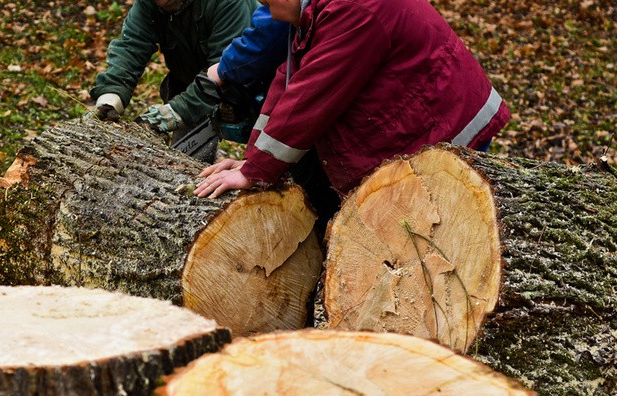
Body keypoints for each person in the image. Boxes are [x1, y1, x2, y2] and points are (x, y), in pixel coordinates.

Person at [194, 0, 510, 227]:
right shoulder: (316, 12)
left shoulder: (355, 9)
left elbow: (311, 98)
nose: (262, 5)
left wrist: (254, 171)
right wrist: (254, 163)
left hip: (446, 133)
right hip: (418, 129)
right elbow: (289, 82)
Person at [88, 0, 257, 150]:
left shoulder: (229, 4)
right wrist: (110, 96)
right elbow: (131, 46)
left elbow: (227, 64)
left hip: (253, 86)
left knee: (267, 160)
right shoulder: (149, 5)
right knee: (184, 163)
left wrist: (180, 110)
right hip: (190, 85)